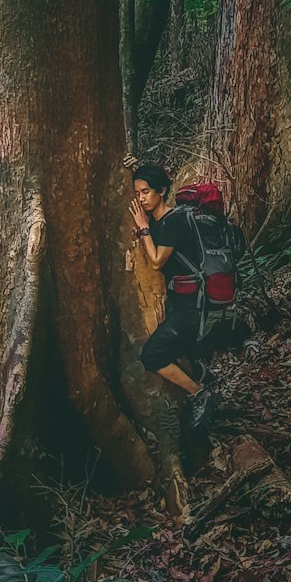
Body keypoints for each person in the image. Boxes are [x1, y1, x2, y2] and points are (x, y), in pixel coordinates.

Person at [129, 162, 216, 429]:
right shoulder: (159, 223)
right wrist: (132, 165)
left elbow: (156, 261)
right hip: (179, 303)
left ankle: (200, 393)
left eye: (146, 192)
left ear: (162, 191)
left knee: (152, 356)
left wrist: (143, 228)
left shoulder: (174, 221)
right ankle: (204, 378)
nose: (141, 198)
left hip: (192, 307)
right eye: (138, 193)